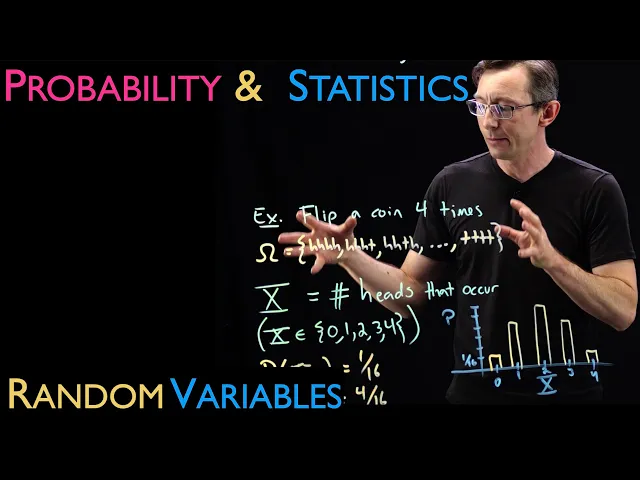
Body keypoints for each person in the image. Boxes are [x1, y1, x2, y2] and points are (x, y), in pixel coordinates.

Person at [278, 60, 638, 405]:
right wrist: (350, 257)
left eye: (504, 108)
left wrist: (553, 262)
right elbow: (411, 293)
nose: (488, 122)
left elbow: (622, 312)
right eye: (479, 106)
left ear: (547, 113)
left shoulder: (594, 189)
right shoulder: (451, 184)